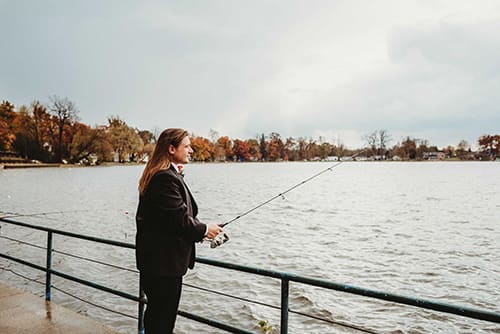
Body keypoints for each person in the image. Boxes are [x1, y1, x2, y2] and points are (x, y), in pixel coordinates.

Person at [135, 128, 224, 333]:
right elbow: (179, 221)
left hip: (158, 264)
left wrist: (203, 231)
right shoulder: (164, 178)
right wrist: (203, 230)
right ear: (171, 148)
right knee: (162, 321)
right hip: (163, 266)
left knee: (157, 317)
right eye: (187, 146)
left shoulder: (163, 175)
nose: (191, 150)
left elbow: (169, 220)